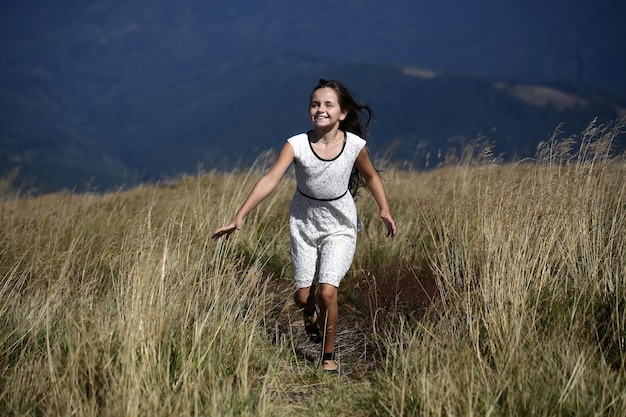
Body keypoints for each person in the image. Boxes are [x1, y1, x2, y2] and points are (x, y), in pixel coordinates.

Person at [212, 79, 397, 373]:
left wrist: (384, 209)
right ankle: (309, 315)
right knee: (302, 296)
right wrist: (239, 216)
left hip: (340, 223)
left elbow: (372, 177)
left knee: (327, 291)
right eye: (315, 104)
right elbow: (270, 178)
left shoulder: (354, 147)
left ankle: (328, 355)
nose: (320, 109)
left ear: (343, 113)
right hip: (304, 223)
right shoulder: (296, 144)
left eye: (328, 105)